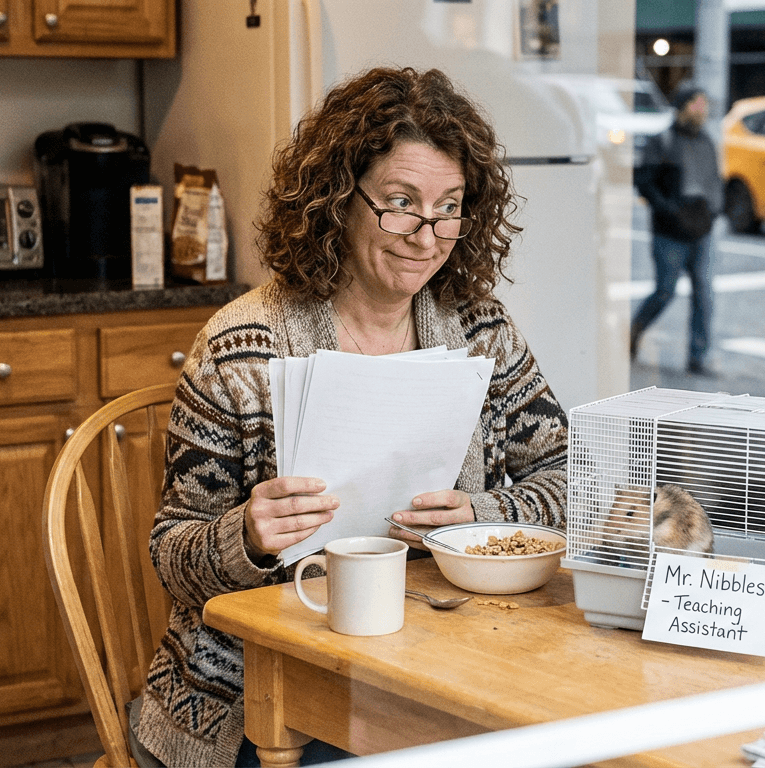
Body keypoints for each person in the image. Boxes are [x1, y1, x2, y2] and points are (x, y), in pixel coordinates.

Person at [130, 67, 570, 767]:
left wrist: (481, 518)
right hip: (259, 693)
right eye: (400, 203)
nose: (427, 236)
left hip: (449, 665)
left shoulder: (480, 330)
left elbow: (569, 478)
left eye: (449, 207)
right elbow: (171, 556)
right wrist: (245, 535)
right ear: (338, 199)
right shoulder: (240, 349)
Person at [629, 83, 722, 374]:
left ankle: (698, 356)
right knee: (665, 291)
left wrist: (715, 210)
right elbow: (643, 180)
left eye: (704, 104)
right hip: (669, 231)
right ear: (683, 106)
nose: (702, 109)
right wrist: (667, 209)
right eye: (697, 103)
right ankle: (635, 330)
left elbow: (713, 182)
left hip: (701, 229)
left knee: (703, 294)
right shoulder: (663, 140)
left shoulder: (707, 141)